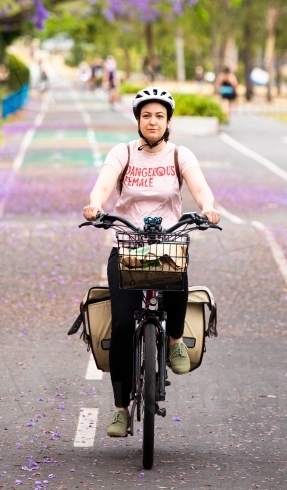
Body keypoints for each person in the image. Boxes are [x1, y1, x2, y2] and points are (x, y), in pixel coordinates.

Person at [83, 87, 220, 439]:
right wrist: (95, 206)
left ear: (168, 121)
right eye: (147, 115)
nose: (153, 121)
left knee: (178, 274)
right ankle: (119, 410)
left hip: (166, 245)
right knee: (124, 328)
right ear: (138, 121)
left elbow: (201, 188)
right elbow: (102, 186)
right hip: (128, 246)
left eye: (159, 115)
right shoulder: (123, 153)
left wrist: (207, 208)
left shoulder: (179, 155)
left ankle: (174, 338)